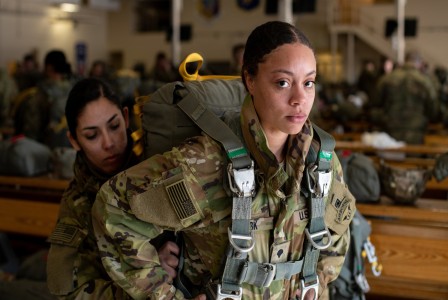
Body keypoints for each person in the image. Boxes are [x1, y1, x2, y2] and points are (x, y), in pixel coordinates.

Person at [92, 21, 356, 300]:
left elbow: (335, 238)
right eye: (283, 82)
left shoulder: (321, 162)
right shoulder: (206, 164)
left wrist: (317, 285)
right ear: (250, 81)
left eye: (309, 82)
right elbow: (113, 207)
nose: (300, 98)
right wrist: (162, 294)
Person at [46, 78, 179, 299]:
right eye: (92, 135)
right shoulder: (78, 204)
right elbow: (69, 293)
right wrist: (147, 275)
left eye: (114, 125)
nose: (108, 142)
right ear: (74, 141)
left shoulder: (160, 160)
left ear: (126, 118)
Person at [371, 51, 440, 144]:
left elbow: (375, 104)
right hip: (416, 130)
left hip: (390, 129)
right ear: (419, 63)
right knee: (414, 157)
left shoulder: (387, 79)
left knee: (391, 157)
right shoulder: (425, 81)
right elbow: (433, 109)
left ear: (405, 60)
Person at [13, 49, 78, 148]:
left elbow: (30, 134)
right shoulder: (76, 91)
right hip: (72, 154)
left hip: (46, 155)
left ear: (49, 67)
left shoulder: (38, 95)